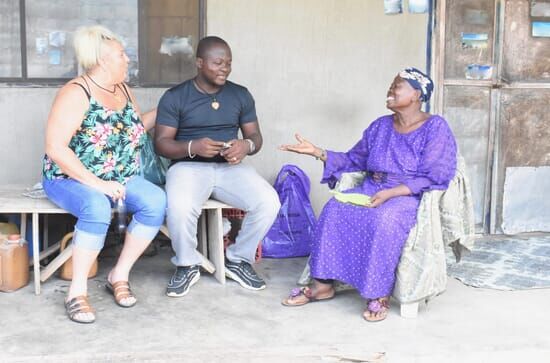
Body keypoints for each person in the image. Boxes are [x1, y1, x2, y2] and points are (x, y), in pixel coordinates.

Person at [279, 68, 457, 322]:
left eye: (397, 86)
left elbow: (436, 174)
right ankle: (322, 285)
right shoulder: (380, 126)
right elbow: (354, 159)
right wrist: (318, 152)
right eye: (391, 85)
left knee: (384, 220)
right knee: (334, 210)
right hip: (371, 188)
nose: (390, 91)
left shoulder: (435, 127)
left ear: (416, 94)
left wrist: (392, 192)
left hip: (406, 194)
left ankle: (377, 293)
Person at [42, 25, 167, 324]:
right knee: (96, 206)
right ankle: (77, 291)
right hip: (69, 178)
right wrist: (98, 184)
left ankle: (118, 274)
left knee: (155, 201)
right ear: (102, 61)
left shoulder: (122, 89)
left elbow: (137, 128)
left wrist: (173, 107)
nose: (128, 60)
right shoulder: (76, 92)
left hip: (118, 176)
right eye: (122, 55)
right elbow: (56, 148)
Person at [154, 36, 280, 297]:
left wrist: (246, 146)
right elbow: (162, 144)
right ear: (200, 63)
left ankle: (238, 259)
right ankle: (187, 264)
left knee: (269, 202)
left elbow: (256, 137)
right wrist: (192, 147)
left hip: (230, 168)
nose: (225, 68)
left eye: (229, 63)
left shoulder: (240, 95)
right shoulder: (175, 97)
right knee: (179, 207)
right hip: (188, 168)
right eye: (218, 63)